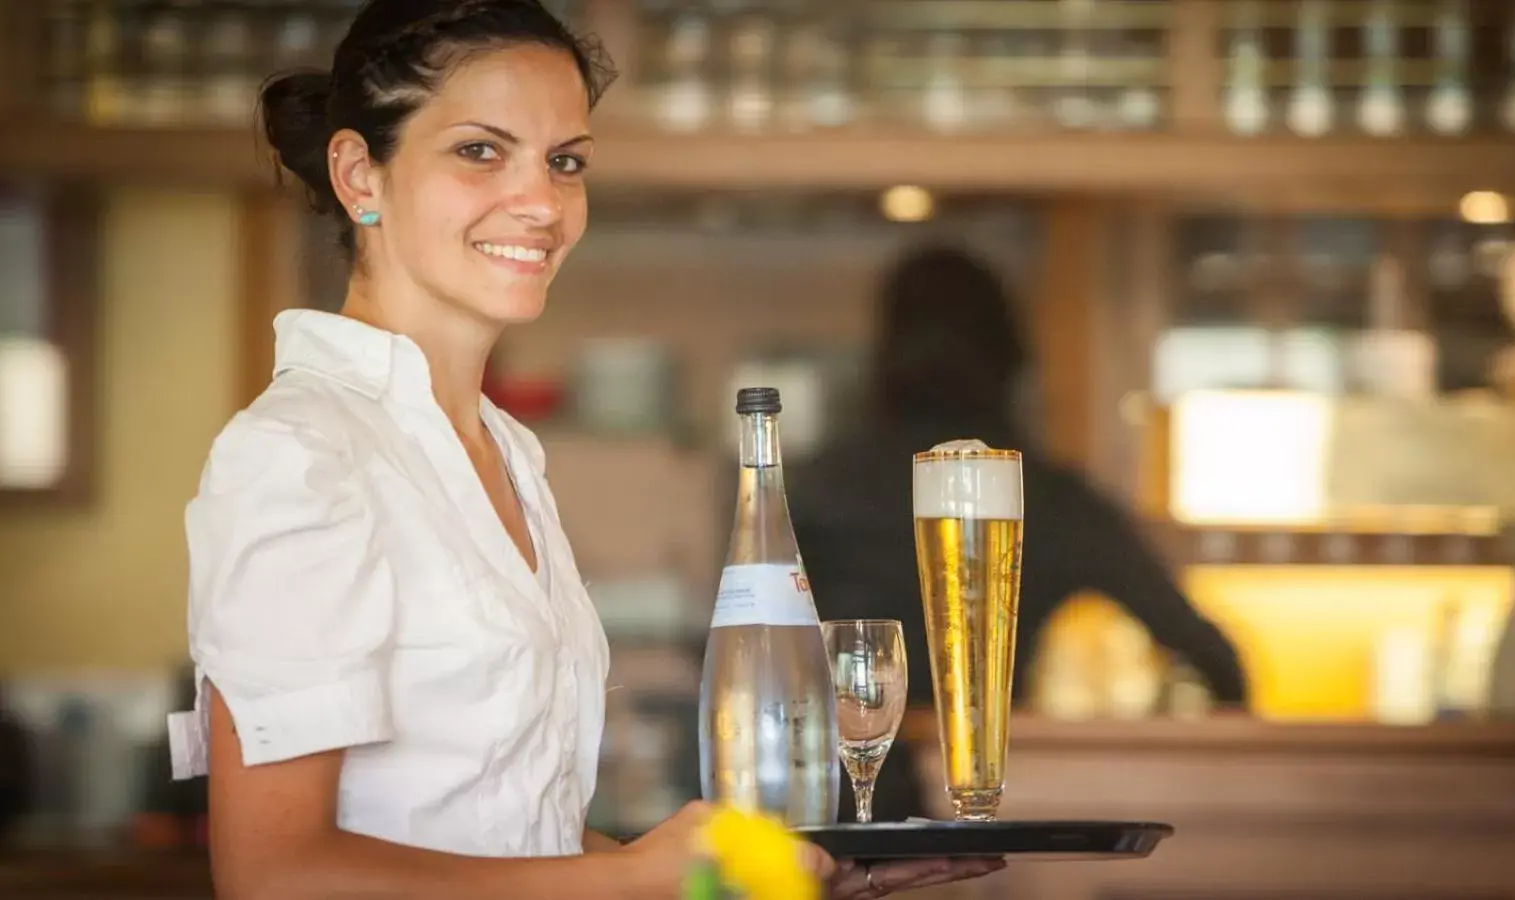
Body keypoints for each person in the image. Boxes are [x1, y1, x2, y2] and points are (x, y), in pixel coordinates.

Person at [165, 3, 1001, 899]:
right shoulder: (301, 455)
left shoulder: (505, 453)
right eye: (481, 151)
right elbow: (273, 873)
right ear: (359, 173)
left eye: (565, 161)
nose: (542, 203)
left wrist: (750, 875)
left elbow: (519, 835)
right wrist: (636, 877)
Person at [790, 243, 1250, 823]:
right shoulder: (1050, 497)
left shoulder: (812, 487)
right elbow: (1218, 663)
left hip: (823, 819)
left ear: (881, 348)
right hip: (994, 818)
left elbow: (743, 646)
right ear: (1012, 354)